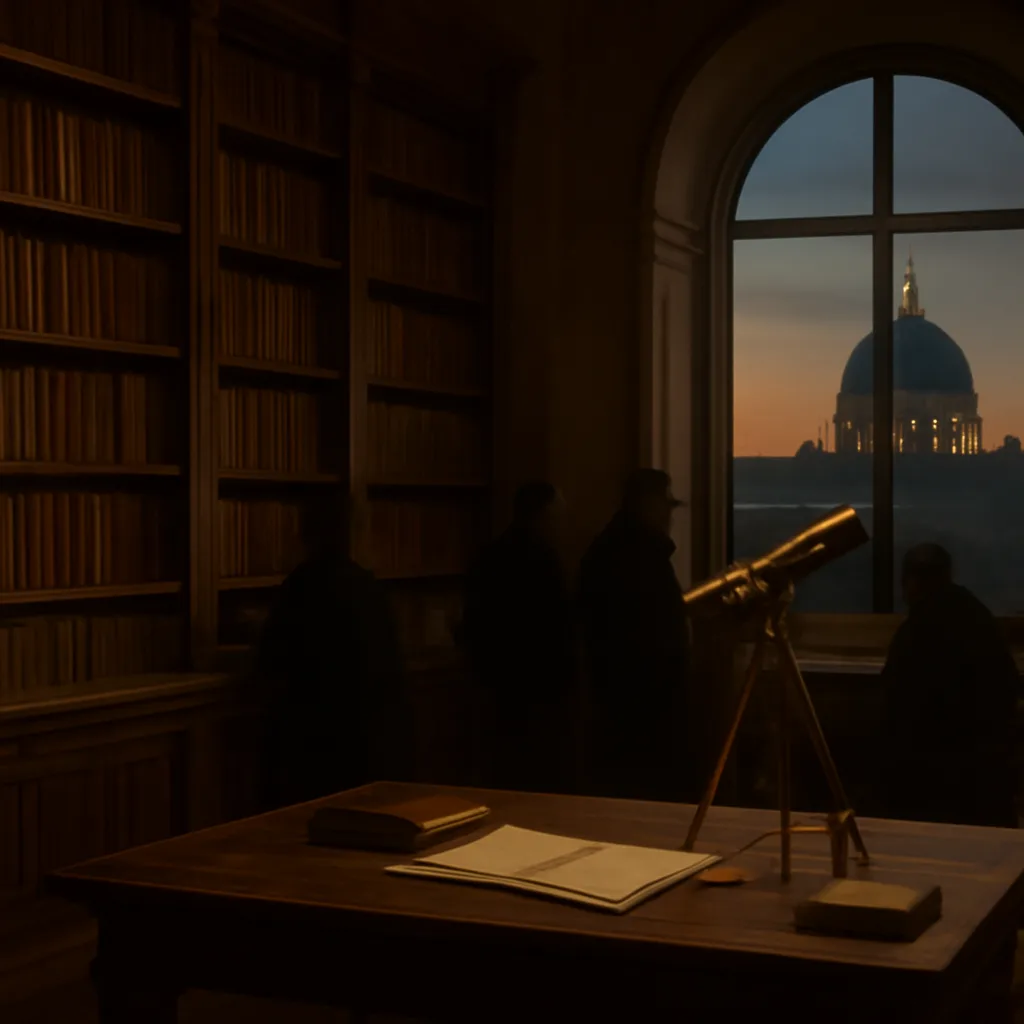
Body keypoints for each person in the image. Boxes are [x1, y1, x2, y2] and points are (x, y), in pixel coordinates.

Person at [256, 488, 412, 809]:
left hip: (316, 737)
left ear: (307, 532)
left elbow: (272, 658)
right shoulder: (366, 584)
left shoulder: (303, 584)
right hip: (369, 737)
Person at [881, 543, 1018, 828]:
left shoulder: (915, 632)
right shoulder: (977, 617)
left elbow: (896, 707)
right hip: (986, 776)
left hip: (933, 778)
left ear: (911, 583)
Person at [578, 469, 689, 802]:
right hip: (645, 705)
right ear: (649, 505)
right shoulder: (644, 559)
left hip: (621, 704)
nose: (670, 515)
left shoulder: (607, 553)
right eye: (666, 504)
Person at [462, 483, 575, 792]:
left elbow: (474, 623)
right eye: (558, 517)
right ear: (543, 516)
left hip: (499, 690)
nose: (562, 526)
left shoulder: (489, 556)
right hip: (541, 691)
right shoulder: (544, 562)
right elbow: (559, 627)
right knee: (542, 779)